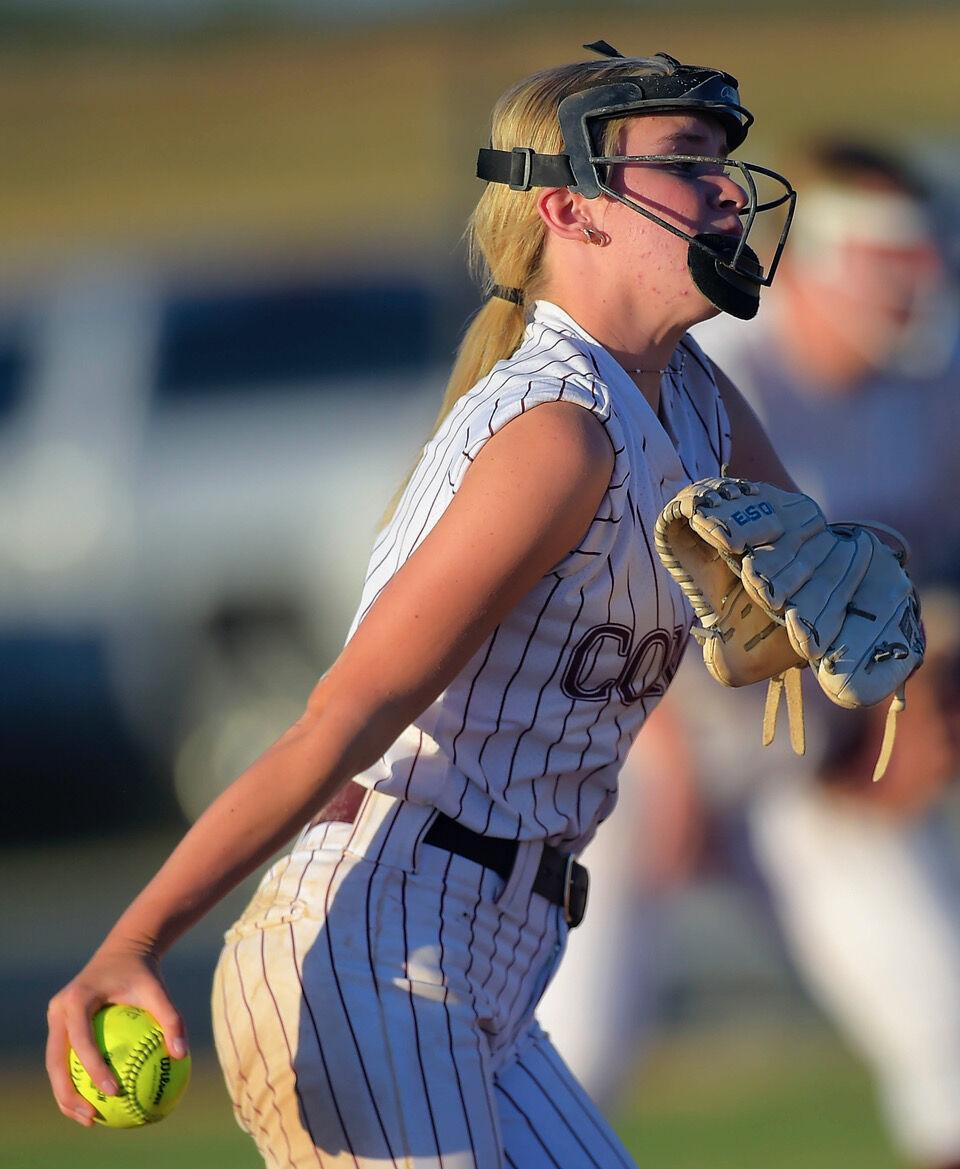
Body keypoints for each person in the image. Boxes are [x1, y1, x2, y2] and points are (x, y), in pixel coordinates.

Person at [46, 42, 803, 1168]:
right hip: (374, 945)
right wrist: (138, 934)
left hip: (492, 955)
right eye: (687, 160)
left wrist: (849, 610)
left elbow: (813, 596)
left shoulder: (692, 394)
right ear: (570, 209)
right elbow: (342, 715)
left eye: (724, 161)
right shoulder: (557, 429)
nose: (729, 188)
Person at [538, 138, 960, 1169]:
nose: (923, 284)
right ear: (813, 256)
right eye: (891, 259)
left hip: (805, 759)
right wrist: (666, 752)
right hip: (637, 738)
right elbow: (613, 584)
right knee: (571, 1048)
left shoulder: (936, 394)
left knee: (947, 1017)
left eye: (930, 255)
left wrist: (921, 713)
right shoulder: (716, 378)